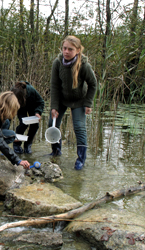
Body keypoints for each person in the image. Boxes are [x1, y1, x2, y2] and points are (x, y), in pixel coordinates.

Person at [48, 35, 97, 170]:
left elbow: (93, 84)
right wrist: (54, 107)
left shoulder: (84, 66)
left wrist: (88, 103)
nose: (66, 52)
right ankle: (56, 151)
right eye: (64, 48)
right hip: (62, 99)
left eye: (70, 49)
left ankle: (81, 159)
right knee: (52, 124)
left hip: (79, 100)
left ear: (78, 50)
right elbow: (54, 86)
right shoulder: (57, 63)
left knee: (79, 128)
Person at [10, 81, 45, 154]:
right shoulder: (12, 92)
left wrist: (38, 112)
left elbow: (41, 102)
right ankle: (17, 144)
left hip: (32, 106)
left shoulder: (31, 91)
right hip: (20, 107)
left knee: (35, 125)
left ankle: (28, 144)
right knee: (23, 124)